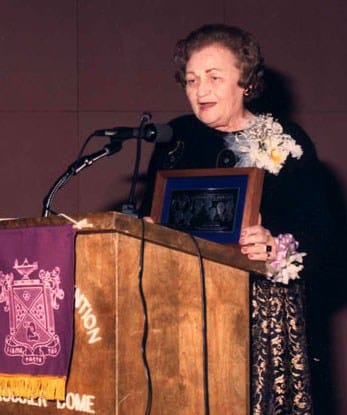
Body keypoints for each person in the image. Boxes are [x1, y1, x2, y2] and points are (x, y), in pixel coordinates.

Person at [140, 24, 334, 414]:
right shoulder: (175, 137)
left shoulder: (285, 139)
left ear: (245, 83)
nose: (200, 90)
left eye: (214, 77)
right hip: (180, 303)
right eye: (191, 80)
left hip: (257, 313)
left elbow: (323, 236)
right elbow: (153, 212)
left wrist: (275, 245)